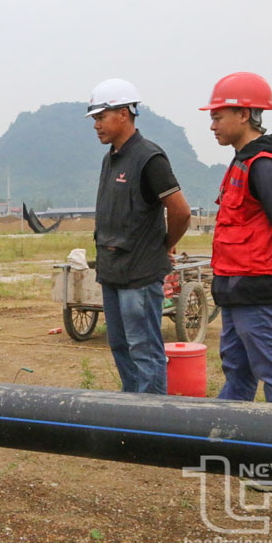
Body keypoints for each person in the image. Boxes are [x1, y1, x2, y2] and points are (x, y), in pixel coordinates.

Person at [202, 72, 272, 405]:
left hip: (259, 290)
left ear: (244, 114)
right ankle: (228, 440)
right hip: (236, 290)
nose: (212, 125)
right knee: (237, 371)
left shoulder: (265, 165)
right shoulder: (241, 163)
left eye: (218, 117)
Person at [87, 78, 190, 394]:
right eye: (94, 119)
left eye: (101, 117)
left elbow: (181, 212)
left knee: (144, 351)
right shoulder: (111, 158)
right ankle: (132, 417)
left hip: (140, 275)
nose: (96, 126)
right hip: (112, 273)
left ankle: (154, 425)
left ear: (123, 113)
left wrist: (164, 245)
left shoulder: (149, 157)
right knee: (120, 347)